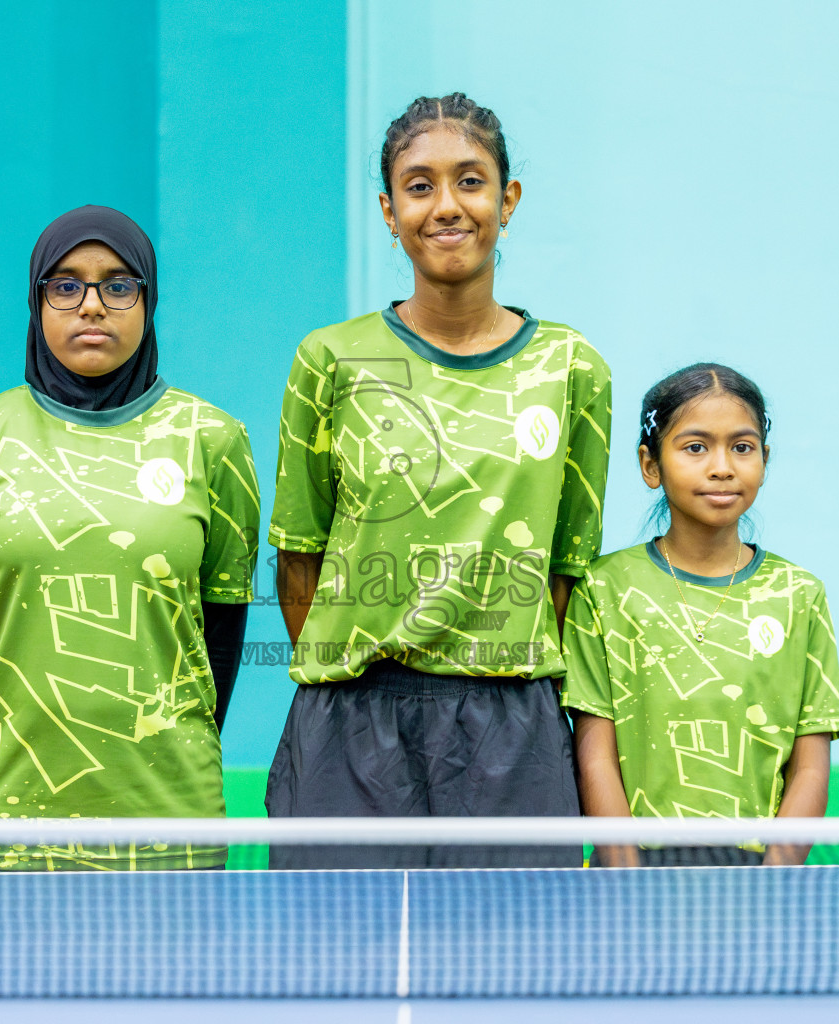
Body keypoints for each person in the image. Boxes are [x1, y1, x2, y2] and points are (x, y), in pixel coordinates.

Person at [265, 94, 612, 868]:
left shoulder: (571, 367)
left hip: (511, 727)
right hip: (351, 725)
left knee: (513, 970)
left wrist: (491, 667)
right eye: (419, 186)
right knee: (333, 964)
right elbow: (297, 556)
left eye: (470, 181)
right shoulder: (330, 358)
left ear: (507, 199)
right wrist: (364, 676)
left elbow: (567, 566)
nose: (446, 205)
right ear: (389, 211)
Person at [0, 205, 259, 870]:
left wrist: (159, 748)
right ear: (37, 300)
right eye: (66, 284)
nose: (91, 306)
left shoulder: (214, 440)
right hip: (5, 821)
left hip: (166, 821)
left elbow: (219, 631)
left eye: (117, 284)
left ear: (147, 299)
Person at [561, 363, 839, 866]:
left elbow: (809, 765)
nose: (722, 467)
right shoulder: (603, 589)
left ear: (764, 459)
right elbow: (596, 756)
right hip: (633, 870)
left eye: (743, 447)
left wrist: (773, 879)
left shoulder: (798, 594)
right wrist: (624, 875)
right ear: (650, 465)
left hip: (757, 875)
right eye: (695, 447)